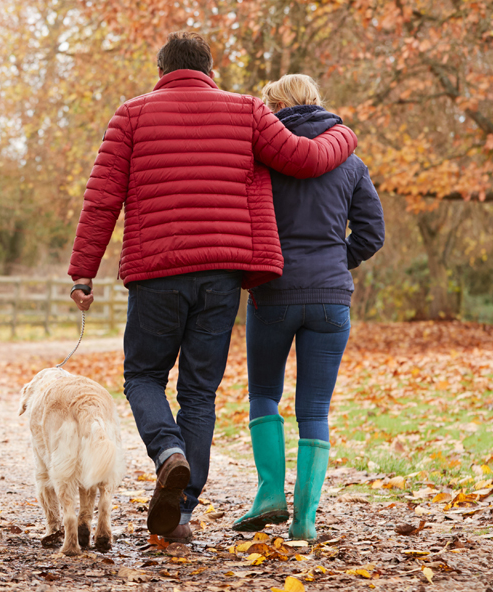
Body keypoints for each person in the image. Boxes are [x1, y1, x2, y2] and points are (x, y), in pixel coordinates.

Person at [67, 32, 359, 543]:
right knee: (199, 391)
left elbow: (101, 199)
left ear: (161, 71)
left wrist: (83, 273)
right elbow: (307, 159)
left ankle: (168, 454)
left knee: (142, 374)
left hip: (156, 271)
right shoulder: (246, 111)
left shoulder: (131, 115)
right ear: (209, 69)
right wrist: (347, 135)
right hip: (223, 273)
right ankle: (180, 512)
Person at [232, 74, 385, 541]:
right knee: (314, 408)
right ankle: (305, 520)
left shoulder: (263, 161)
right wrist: (336, 262)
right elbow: (372, 235)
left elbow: (244, 223)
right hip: (331, 299)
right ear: (317, 101)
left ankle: (270, 493)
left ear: (275, 105)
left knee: (264, 393)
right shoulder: (351, 163)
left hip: (274, 293)